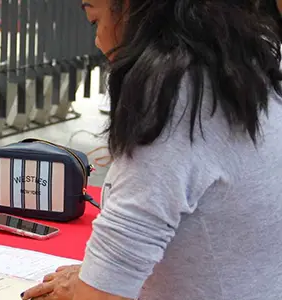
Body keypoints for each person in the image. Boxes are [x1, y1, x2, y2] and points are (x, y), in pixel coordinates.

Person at [22, 1, 282, 300]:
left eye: (95, 21)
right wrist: (100, 275)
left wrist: (94, 285)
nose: (98, 41)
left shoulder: (173, 100)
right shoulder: (259, 54)